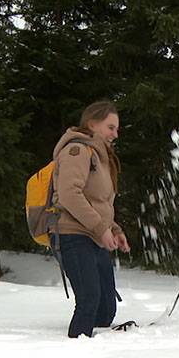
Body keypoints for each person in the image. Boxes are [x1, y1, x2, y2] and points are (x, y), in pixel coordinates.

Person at [52, 99, 131, 339]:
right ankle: (75, 354)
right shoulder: (77, 151)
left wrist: (114, 230)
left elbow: (100, 202)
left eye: (116, 128)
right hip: (74, 235)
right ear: (92, 124)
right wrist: (100, 228)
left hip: (95, 236)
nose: (115, 134)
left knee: (106, 309)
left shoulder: (101, 157)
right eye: (110, 127)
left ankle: (97, 355)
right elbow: (69, 194)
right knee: (89, 301)